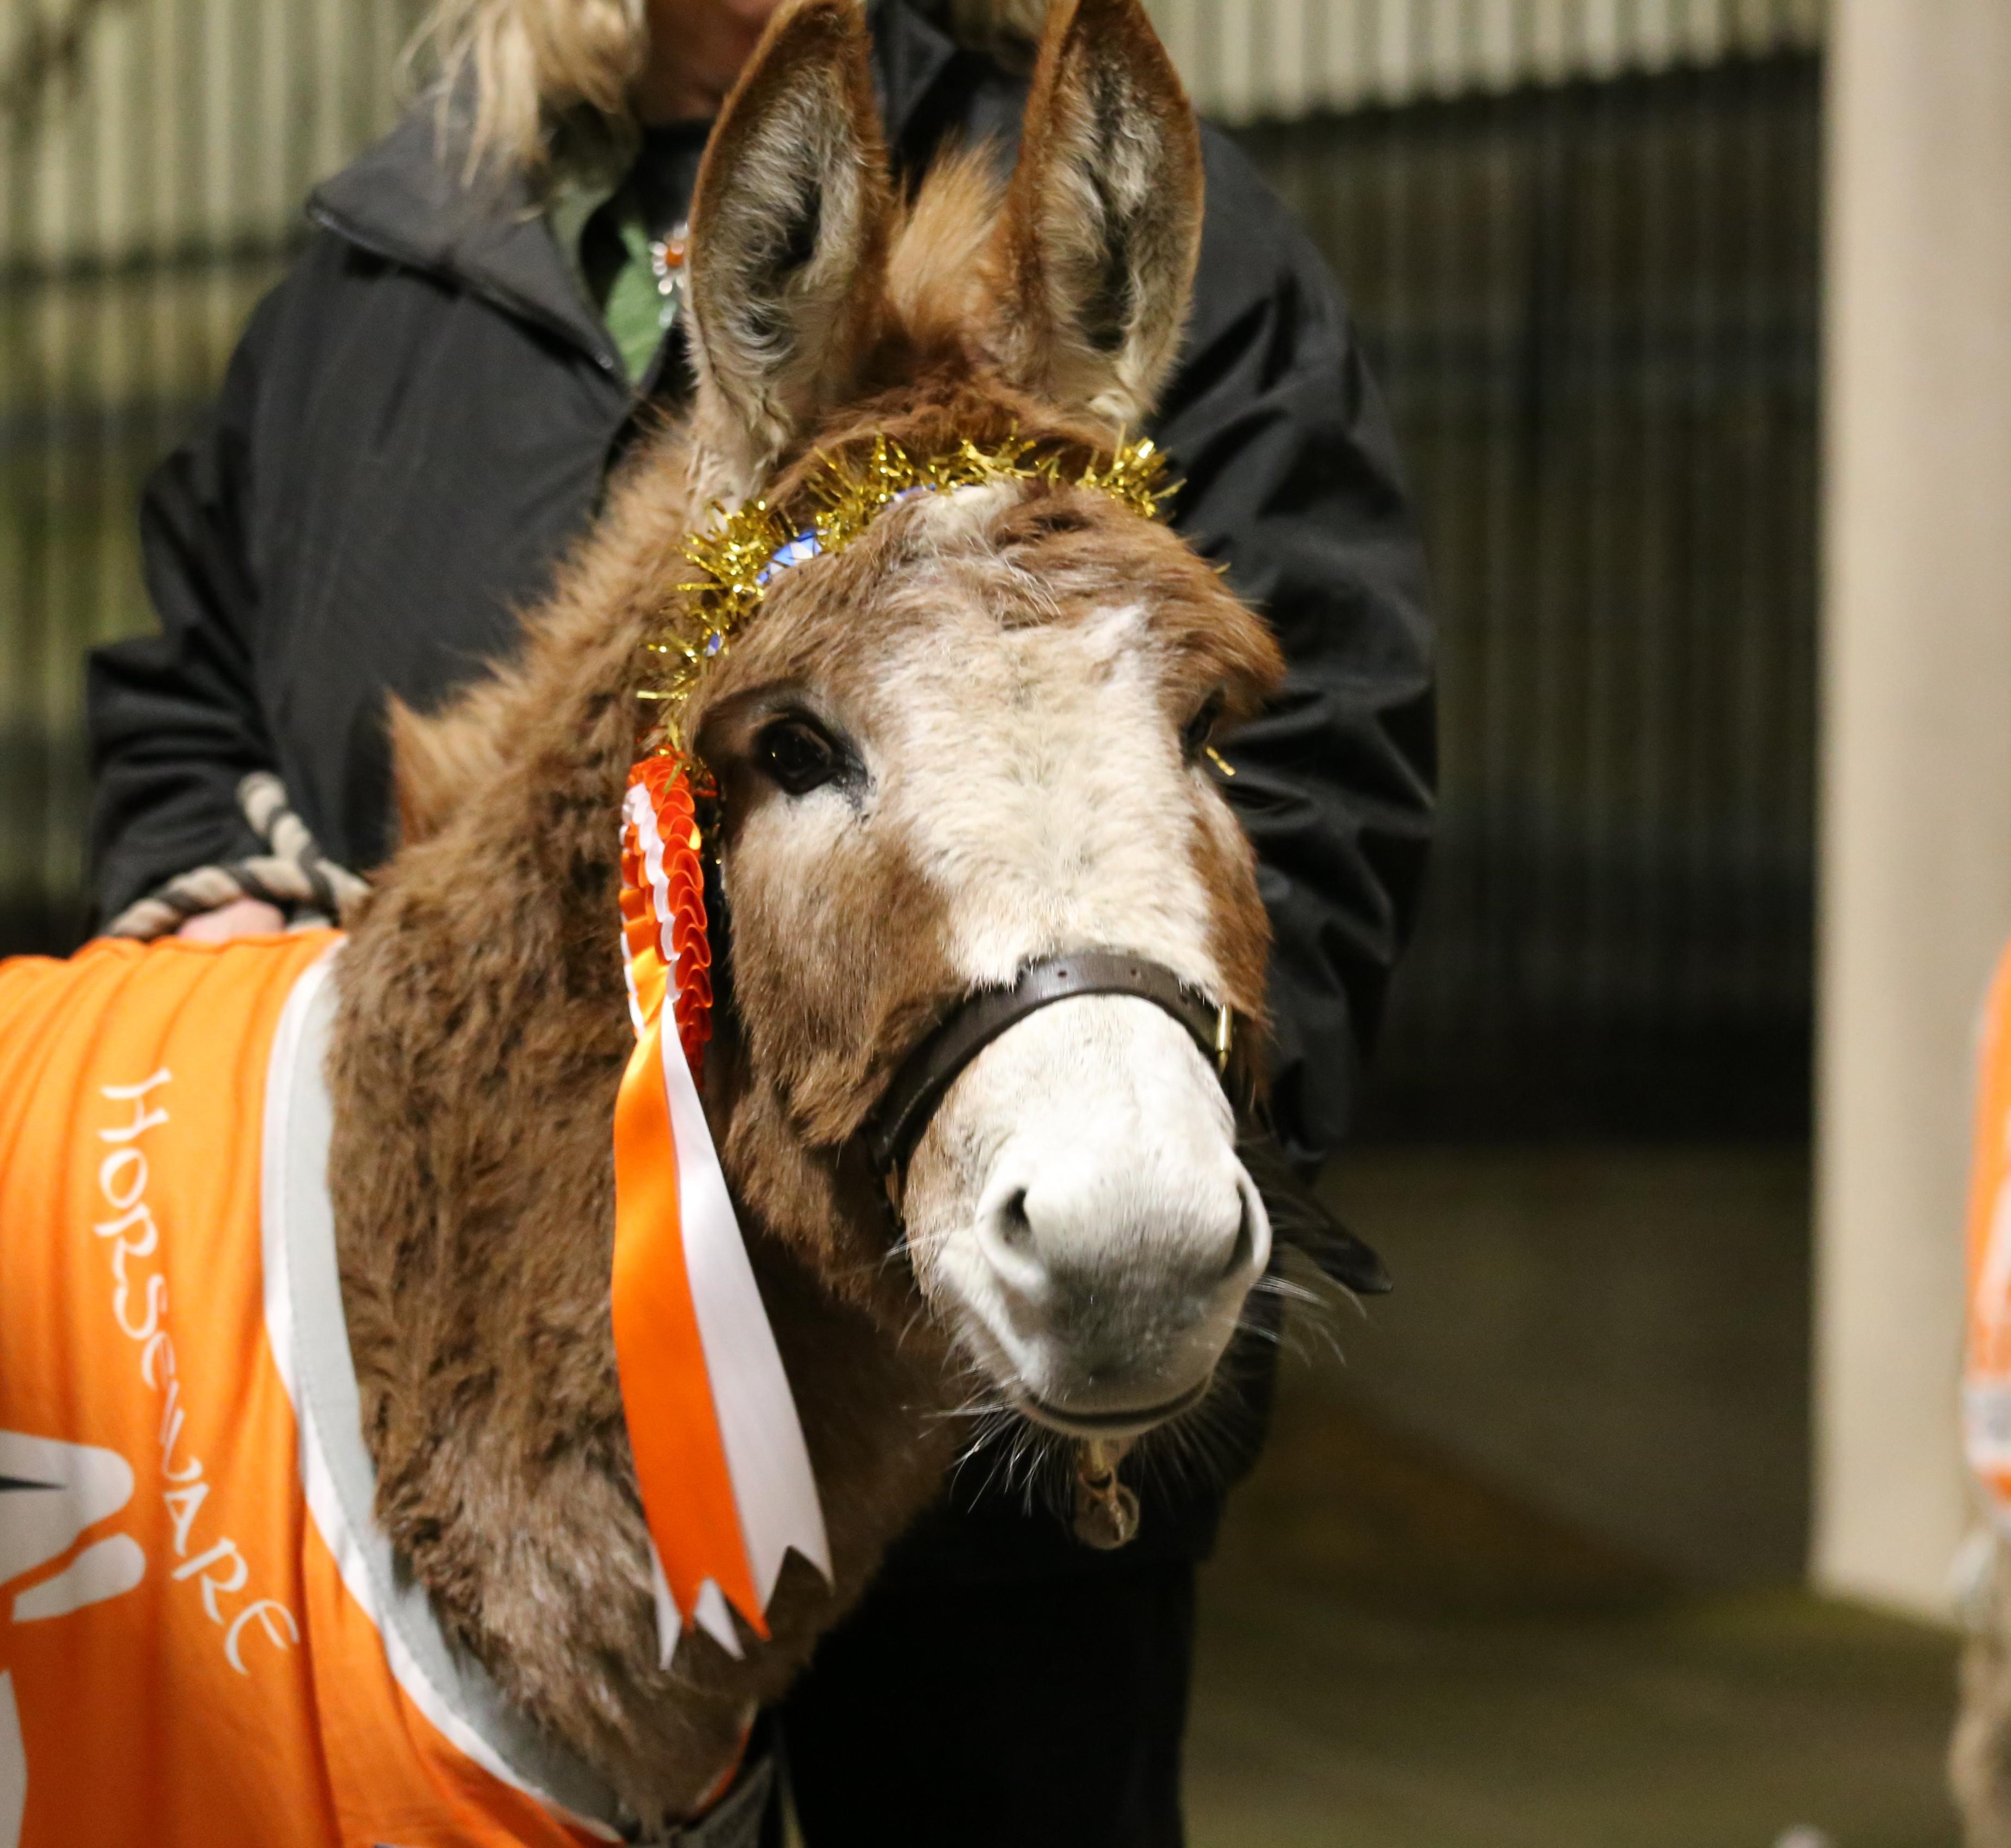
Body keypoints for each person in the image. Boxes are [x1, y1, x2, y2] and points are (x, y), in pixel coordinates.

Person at [84, 1, 1434, 1840]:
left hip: (975, 1444)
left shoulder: (1111, 219)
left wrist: (1099, 1126)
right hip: (468, 1463)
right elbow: (185, 685)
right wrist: (236, 956)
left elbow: (1315, 752)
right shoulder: (381, 265)